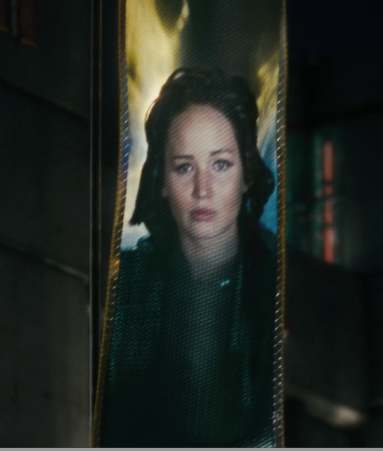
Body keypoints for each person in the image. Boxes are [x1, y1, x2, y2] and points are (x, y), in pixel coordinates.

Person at [98, 68, 278, 447]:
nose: (202, 190)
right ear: (162, 181)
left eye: (220, 164)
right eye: (184, 167)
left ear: (247, 173)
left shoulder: (277, 287)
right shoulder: (125, 288)